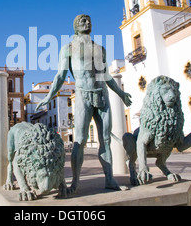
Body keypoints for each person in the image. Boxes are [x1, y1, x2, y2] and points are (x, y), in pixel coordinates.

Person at [36, 14, 132, 195]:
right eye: (82, 21)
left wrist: (121, 93)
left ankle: (110, 179)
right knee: (79, 140)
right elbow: (60, 75)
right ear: (75, 27)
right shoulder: (68, 48)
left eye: (89, 20)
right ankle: (75, 182)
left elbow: (106, 76)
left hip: (102, 95)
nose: (87, 22)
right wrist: (49, 96)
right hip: (82, 94)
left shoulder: (100, 49)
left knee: (106, 140)